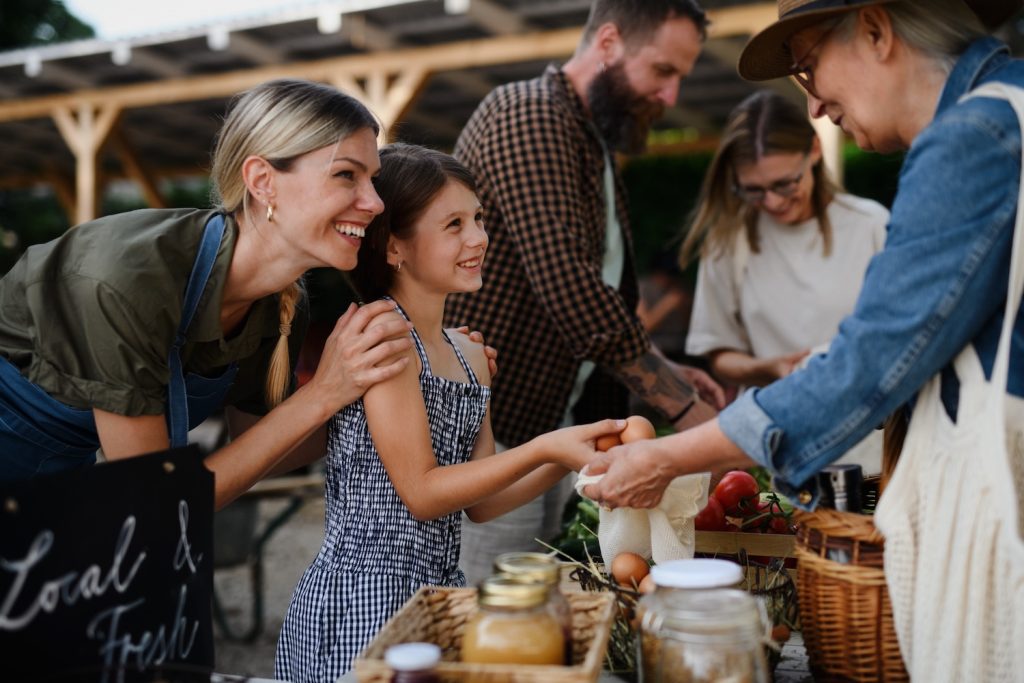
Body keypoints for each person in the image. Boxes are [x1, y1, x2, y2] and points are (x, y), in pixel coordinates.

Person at [582, 0, 1023, 674]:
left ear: (876, 30)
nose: (815, 106)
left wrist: (670, 458)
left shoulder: (972, 138)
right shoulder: (1011, 106)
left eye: (810, 68)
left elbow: (867, 365)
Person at [0, 79, 457, 509]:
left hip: (52, 487)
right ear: (262, 181)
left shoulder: (281, 308)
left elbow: (262, 449)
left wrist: (407, 391)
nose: (375, 204)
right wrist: (323, 392)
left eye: (373, 180)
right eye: (346, 175)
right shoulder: (127, 279)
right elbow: (156, 501)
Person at [274, 144, 623, 681]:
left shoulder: (468, 355)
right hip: (362, 600)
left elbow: (480, 504)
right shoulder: (382, 339)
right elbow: (422, 492)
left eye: (478, 219)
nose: (479, 238)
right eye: (454, 224)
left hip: (437, 594)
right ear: (395, 247)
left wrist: (572, 456)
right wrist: (545, 446)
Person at [444, 0, 726, 584]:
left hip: (551, 429)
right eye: (663, 71)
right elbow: (572, 291)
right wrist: (687, 411)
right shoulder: (528, 115)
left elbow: (602, 296)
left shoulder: (588, 140)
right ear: (608, 43)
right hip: (493, 437)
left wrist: (663, 364)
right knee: (493, 621)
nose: (671, 96)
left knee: (542, 613)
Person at [681, 89, 888, 470]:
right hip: (771, 446)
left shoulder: (870, 225)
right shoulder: (727, 241)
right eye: (753, 190)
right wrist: (770, 367)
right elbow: (719, 354)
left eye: (784, 184)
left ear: (813, 150)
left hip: (867, 445)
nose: (772, 202)